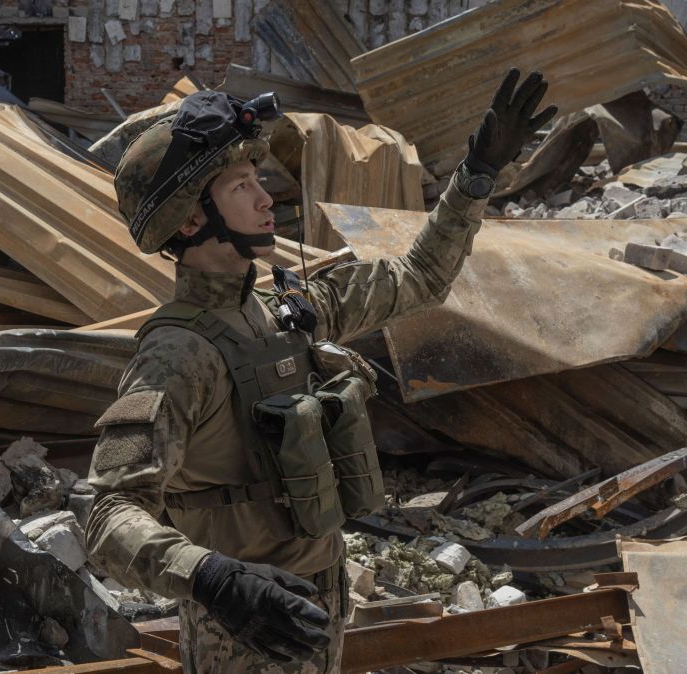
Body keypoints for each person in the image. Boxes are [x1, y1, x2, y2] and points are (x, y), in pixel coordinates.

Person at [85, 69, 556, 673]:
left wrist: (477, 175)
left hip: (321, 600)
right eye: (238, 186)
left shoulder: (286, 311)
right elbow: (108, 515)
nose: (263, 198)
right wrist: (215, 580)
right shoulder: (177, 356)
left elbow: (418, 278)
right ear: (189, 220)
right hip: (246, 627)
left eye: (259, 179)